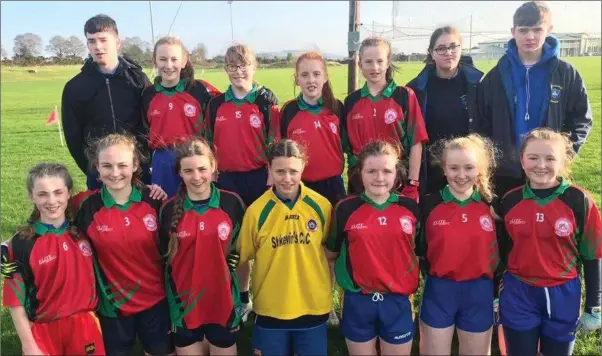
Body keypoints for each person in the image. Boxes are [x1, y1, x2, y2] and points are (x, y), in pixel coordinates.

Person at [497, 128, 601, 356]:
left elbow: (592, 255)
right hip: (519, 292)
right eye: (533, 158)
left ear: (563, 161)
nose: (540, 165)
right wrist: (496, 292)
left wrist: (594, 306)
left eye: (550, 158)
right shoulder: (510, 200)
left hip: (563, 292)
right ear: (522, 161)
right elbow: (502, 251)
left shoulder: (579, 201)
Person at [476, 1, 593, 199]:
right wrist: (493, 159)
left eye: (537, 29)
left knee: (550, 226)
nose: (530, 36)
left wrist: (562, 155)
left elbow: (582, 119)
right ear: (513, 32)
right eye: (523, 30)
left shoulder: (565, 73)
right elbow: (482, 123)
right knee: (508, 225)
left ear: (549, 29)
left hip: (548, 170)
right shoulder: (495, 77)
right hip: (506, 172)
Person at [74, 133, 173, 356]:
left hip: (156, 300)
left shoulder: (155, 200)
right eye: (107, 166)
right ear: (96, 168)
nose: (115, 173)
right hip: (112, 306)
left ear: (135, 164)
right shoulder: (85, 206)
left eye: (122, 165)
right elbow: (50, 213)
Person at [237, 139, 333, 356]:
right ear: (269, 169)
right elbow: (241, 258)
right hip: (271, 309)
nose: (287, 178)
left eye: (293, 171)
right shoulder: (256, 211)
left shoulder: (321, 206)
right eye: (280, 171)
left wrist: (327, 292)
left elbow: (330, 255)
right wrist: (241, 297)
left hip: (313, 306)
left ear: (303, 167)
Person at [204, 43, 279, 321]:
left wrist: (272, 174)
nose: (238, 71)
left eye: (243, 65)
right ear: (225, 69)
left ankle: (268, 296)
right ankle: (244, 297)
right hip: (228, 181)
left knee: (265, 240)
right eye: (232, 66)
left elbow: (275, 141)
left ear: (254, 66)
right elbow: (207, 143)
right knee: (236, 244)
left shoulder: (266, 101)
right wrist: (212, 171)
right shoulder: (215, 104)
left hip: (260, 178)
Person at [326, 140, 421, 356]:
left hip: (397, 299)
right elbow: (331, 253)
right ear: (360, 172)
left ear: (397, 173)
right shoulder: (345, 209)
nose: (379, 178)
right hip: (358, 300)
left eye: (386, 171)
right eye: (371, 171)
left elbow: (419, 249)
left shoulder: (410, 208)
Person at [1, 163, 105, 355]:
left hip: (85, 326)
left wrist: (150, 188)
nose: (51, 200)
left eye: (58, 192)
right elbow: (14, 301)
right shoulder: (19, 246)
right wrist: (29, 345)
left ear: (69, 193)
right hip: (43, 330)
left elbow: (111, 191)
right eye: (42, 194)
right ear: (31, 196)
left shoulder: (85, 229)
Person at [158, 138, 246, 355]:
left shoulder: (232, 203)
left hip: (223, 301)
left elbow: (242, 254)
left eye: (202, 169)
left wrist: (243, 297)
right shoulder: (168, 210)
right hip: (184, 306)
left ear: (214, 167)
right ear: (179, 172)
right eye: (188, 170)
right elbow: (163, 260)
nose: (196, 177)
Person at [417, 135, 498, 355]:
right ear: (444, 169)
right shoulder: (427, 204)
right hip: (439, 290)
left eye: (469, 167)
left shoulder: (493, 206)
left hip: (479, 292)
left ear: (479, 169)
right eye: (453, 168)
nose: (461, 175)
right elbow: (417, 248)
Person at [62, 14, 152, 191]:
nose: (98, 47)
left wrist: (142, 160)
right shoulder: (75, 87)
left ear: (118, 42)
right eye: (92, 41)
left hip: (137, 169)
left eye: (103, 40)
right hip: (99, 174)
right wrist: (93, 167)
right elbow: (73, 137)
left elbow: (149, 122)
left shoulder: (137, 78)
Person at [343, 36, 428, 201]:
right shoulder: (351, 102)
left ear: (388, 63)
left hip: (397, 181)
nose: (374, 67)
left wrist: (412, 183)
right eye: (368, 62)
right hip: (361, 183)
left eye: (380, 61)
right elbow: (346, 148)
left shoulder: (404, 96)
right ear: (360, 65)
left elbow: (416, 142)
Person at [406, 26, 484, 195]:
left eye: (453, 46)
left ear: (461, 48)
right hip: (432, 170)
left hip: (467, 172)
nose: (448, 52)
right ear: (431, 53)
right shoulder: (416, 89)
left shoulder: (477, 85)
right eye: (441, 48)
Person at [141, 36, 221, 199]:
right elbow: (144, 130)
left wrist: (258, 90)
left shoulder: (199, 89)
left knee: (196, 206)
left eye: (174, 59)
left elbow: (231, 98)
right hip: (162, 161)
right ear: (155, 61)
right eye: (163, 59)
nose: (168, 65)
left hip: (195, 159)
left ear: (184, 61)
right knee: (166, 209)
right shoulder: (147, 95)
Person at [279, 51, 346, 206]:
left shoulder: (337, 108)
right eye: (304, 75)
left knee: (333, 229)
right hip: (300, 186)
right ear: (297, 79)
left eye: (316, 74)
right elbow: (281, 150)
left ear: (325, 77)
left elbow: (347, 145)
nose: (311, 80)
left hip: (333, 185)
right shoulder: (289, 111)